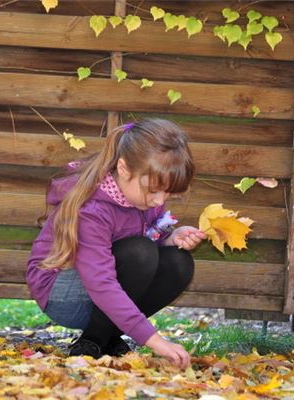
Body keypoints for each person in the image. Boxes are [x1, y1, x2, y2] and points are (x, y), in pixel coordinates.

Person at [26, 118, 207, 369]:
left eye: (167, 193)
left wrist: (170, 238)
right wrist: (154, 341)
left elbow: (146, 235)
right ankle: (93, 339)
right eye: (153, 191)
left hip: (103, 286)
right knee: (140, 253)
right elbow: (102, 281)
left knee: (179, 262)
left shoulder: (141, 195)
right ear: (123, 169)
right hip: (62, 294)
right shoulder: (92, 210)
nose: (159, 201)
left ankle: (106, 337)